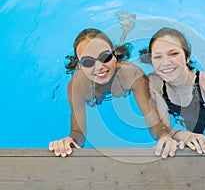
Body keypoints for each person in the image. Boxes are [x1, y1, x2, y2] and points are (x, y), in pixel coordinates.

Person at [49, 28, 178, 158]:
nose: (99, 67)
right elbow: (78, 132)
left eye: (105, 57)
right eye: (88, 62)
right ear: (80, 65)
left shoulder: (132, 74)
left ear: (114, 56)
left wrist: (164, 136)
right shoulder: (77, 86)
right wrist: (70, 142)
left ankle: (126, 28)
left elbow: (152, 119)